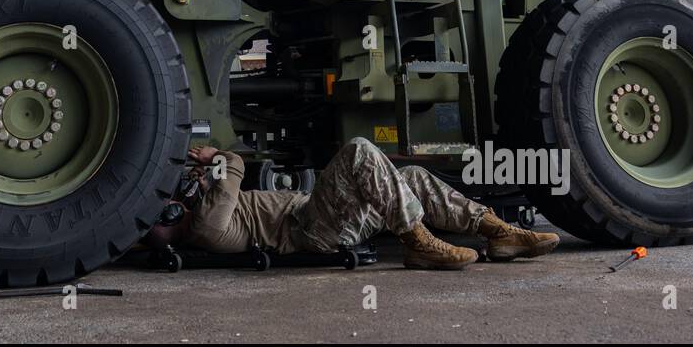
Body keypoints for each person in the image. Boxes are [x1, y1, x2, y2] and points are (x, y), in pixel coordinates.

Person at [154, 137, 558, 270]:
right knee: (359, 150)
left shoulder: (205, 213)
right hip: (311, 228)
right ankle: (418, 240)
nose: (175, 204)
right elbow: (236, 164)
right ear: (169, 225)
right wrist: (212, 159)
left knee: (412, 178)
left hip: (321, 216)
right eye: (166, 213)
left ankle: (497, 233)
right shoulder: (206, 225)